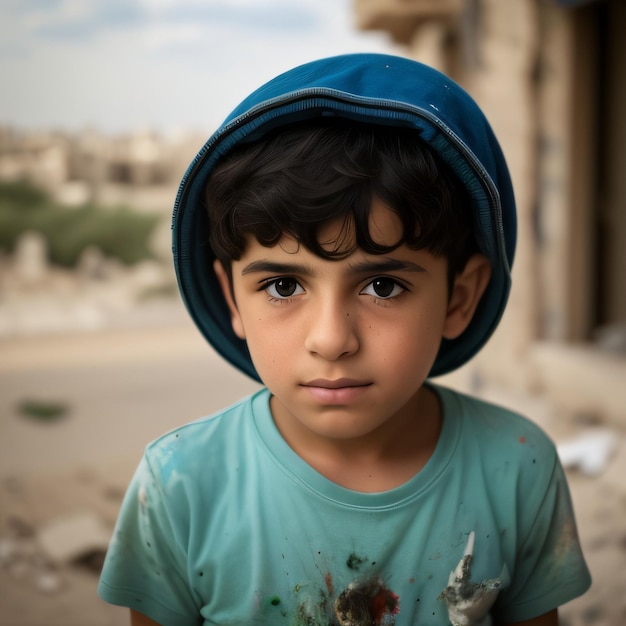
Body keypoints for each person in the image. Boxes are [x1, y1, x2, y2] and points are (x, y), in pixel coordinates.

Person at [98, 53, 591, 626]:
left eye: (382, 285)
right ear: (232, 299)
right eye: (283, 285)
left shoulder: (516, 469)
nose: (331, 340)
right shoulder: (180, 484)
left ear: (459, 297)